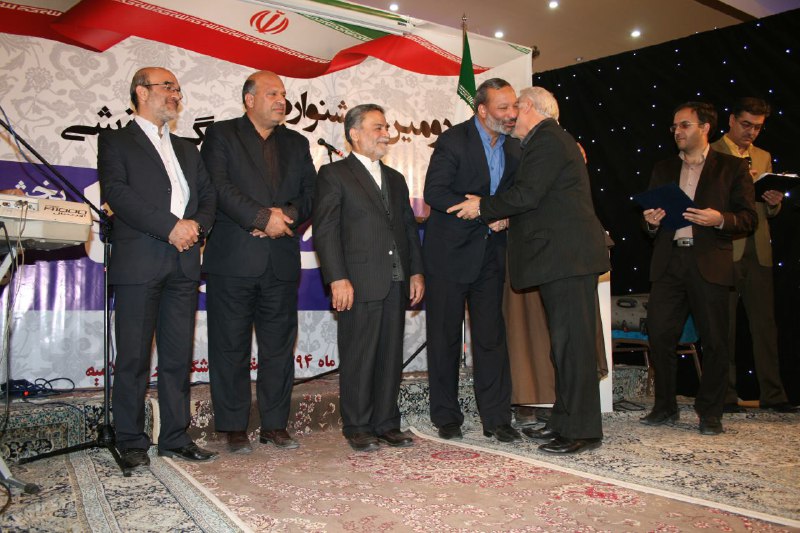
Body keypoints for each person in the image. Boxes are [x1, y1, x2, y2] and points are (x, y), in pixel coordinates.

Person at [448, 87, 610, 454]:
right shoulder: (544, 141)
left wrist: (483, 207)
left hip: (567, 260)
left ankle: (582, 431)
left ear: (530, 107)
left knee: (574, 348)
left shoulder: (548, 139)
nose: (510, 116)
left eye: (515, 108)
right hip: (561, 260)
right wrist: (506, 217)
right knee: (563, 347)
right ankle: (566, 421)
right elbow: (541, 201)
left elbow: (527, 194)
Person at [98, 67, 217, 469]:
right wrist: (170, 227)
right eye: (168, 87)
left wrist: (196, 228)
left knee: (177, 357)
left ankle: (175, 437)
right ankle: (131, 439)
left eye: (178, 89)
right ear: (141, 92)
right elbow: (118, 194)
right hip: (140, 262)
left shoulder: (188, 148)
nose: (175, 95)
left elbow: (208, 196)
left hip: (184, 263)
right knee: (133, 358)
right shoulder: (115, 141)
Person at [201, 71, 316, 453]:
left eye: (283, 94)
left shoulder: (297, 142)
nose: (281, 100)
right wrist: (260, 218)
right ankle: (234, 427)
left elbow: (310, 194)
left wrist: (284, 217)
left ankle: (275, 425)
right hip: (233, 259)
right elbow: (218, 187)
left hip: (280, 261)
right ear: (249, 99)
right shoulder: (221, 135)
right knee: (229, 346)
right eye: (272, 94)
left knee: (278, 348)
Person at [313, 103, 424, 452]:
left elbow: (408, 230)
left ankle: (386, 423)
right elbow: (326, 231)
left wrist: (416, 272)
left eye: (385, 127)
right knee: (360, 354)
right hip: (357, 281)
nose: (385, 134)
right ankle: (358, 426)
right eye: (377, 127)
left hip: (396, 280)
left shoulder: (396, 178)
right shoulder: (334, 174)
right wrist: (337, 278)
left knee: (390, 355)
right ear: (354, 134)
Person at [640, 101, 756, 435]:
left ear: (705, 128)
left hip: (709, 262)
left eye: (685, 125)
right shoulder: (663, 168)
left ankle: (710, 412)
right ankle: (665, 406)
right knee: (660, 334)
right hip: (669, 261)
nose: (677, 131)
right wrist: (650, 222)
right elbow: (650, 220)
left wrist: (719, 219)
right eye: (675, 126)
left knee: (716, 341)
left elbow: (748, 218)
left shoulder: (731, 167)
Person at [422, 78, 522, 443]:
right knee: (445, 338)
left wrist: (501, 214)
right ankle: (446, 416)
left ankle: (497, 418)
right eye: (503, 108)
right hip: (449, 255)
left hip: (492, 254)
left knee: (491, 339)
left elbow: (520, 197)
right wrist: (483, 210)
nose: (511, 114)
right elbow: (434, 192)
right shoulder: (454, 140)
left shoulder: (516, 147)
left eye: (514, 106)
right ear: (482, 110)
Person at [710, 97, 797, 413]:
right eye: (746, 124)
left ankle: (773, 394)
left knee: (765, 326)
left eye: (758, 127)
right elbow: (708, 199)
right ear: (732, 120)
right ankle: (726, 394)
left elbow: (768, 210)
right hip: (725, 247)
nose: (751, 132)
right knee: (725, 325)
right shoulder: (712, 151)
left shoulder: (763, 156)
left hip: (758, 249)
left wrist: (774, 201)